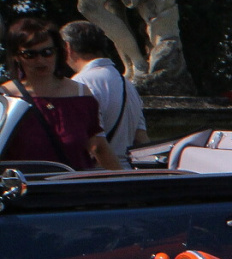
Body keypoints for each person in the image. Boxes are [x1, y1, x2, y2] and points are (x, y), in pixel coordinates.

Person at [1, 16, 119, 171]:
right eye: (30, 54)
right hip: (27, 185)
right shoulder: (6, 98)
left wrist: (126, 181)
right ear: (16, 56)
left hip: (73, 184)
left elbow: (99, 147)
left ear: (59, 51)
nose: (40, 60)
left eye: (47, 52)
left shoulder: (80, 93)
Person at [61, 19, 146, 168]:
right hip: (129, 173)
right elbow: (141, 139)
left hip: (98, 176)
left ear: (67, 48)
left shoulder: (79, 84)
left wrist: (117, 177)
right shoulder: (127, 84)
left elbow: (96, 146)